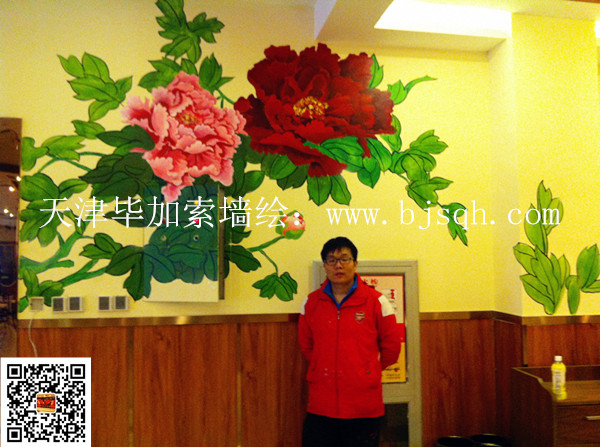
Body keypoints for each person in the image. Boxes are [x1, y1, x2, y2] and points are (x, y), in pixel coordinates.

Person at [298, 236, 403, 447]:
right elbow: (306, 345)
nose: (338, 265)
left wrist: (366, 371)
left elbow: (392, 347)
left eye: (344, 259)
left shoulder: (376, 301)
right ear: (325, 265)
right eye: (331, 260)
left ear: (355, 263)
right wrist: (321, 366)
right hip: (321, 404)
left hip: (363, 407)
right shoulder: (311, 302)